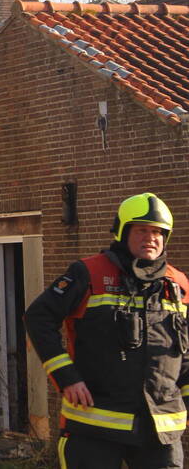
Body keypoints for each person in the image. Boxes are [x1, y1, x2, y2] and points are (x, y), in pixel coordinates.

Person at [24, 192, 189, 468]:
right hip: (94, 427)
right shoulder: (88, 273)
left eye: (158, 232)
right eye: (142, 230)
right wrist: (67, 378)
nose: (151, 237)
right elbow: (38, 317)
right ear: (124, 232)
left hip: (159, 430)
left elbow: (185, 352)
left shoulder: (179, 284)